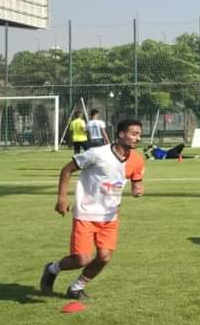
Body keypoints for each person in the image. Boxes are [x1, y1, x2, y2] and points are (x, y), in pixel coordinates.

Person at [39, 119, 145, 300]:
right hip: (86, 214)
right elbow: (66, 170)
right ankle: (52, 269)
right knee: (82, 259)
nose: (138, 138)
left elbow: (137, 181)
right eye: (134, 134)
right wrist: (62, 199)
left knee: (104, 257)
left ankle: (76, 288)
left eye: (139, 135)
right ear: (121, 134)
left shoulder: (137, 159)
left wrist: (137, 189)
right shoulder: (97, 154)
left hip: (110, 216)